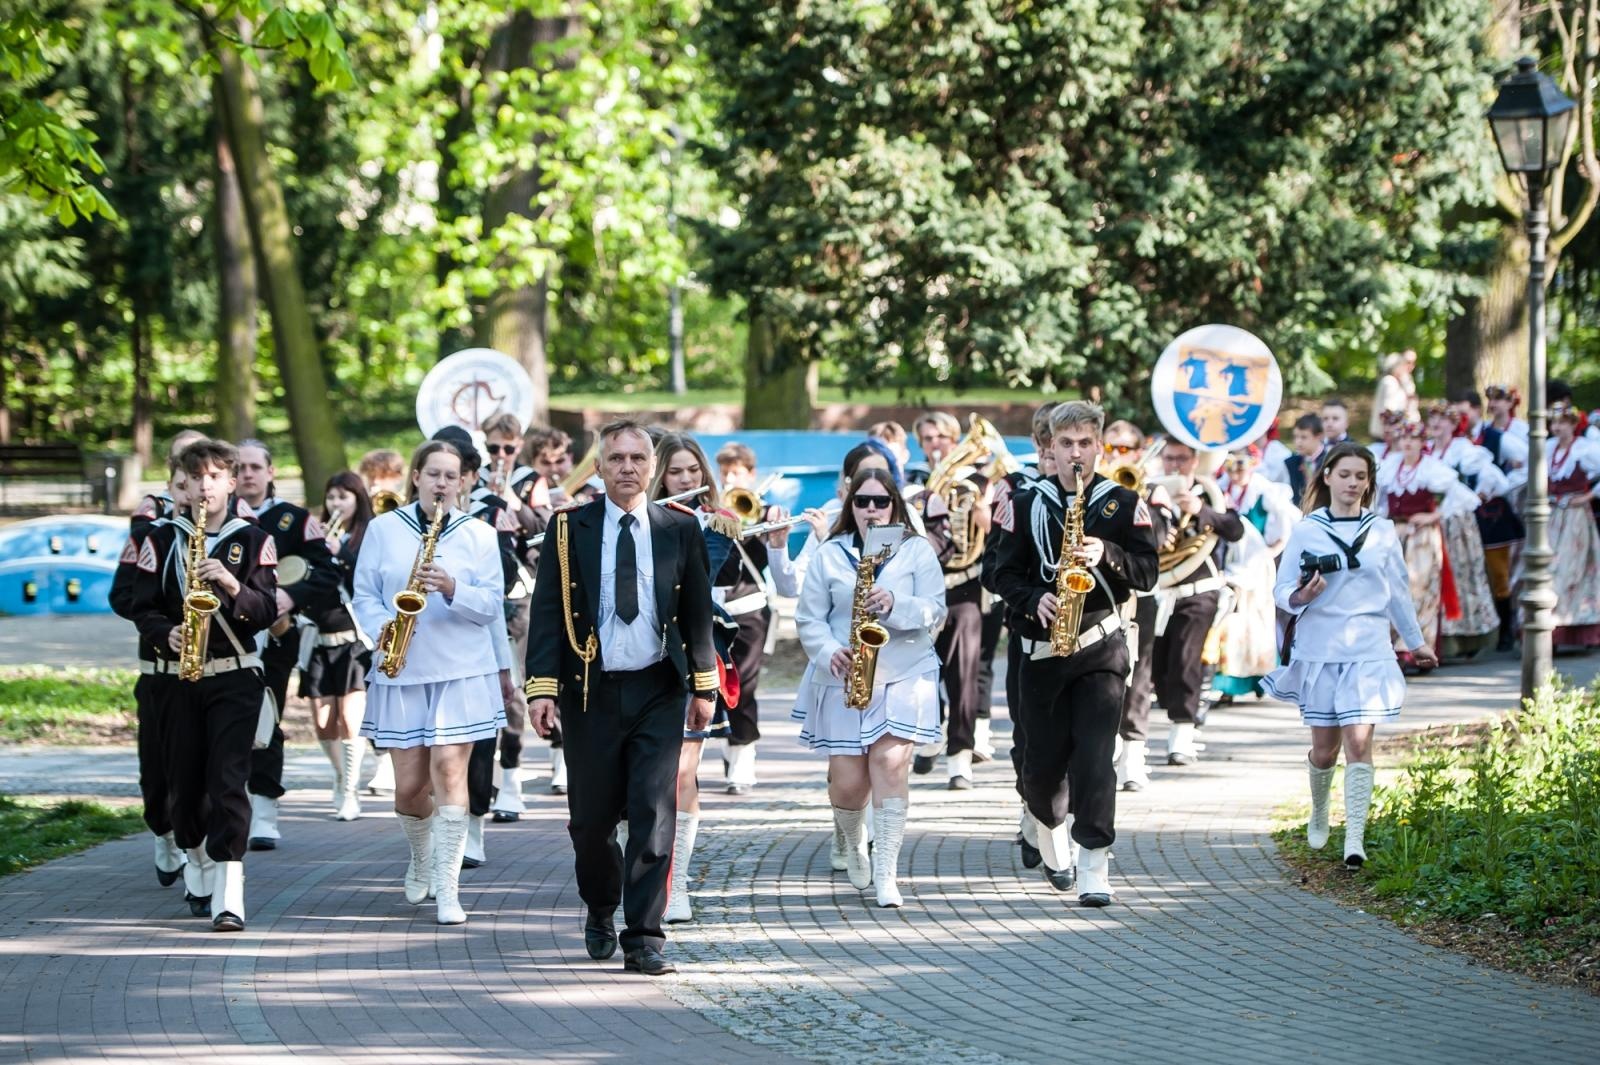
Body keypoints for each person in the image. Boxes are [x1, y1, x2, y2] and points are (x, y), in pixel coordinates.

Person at [524, 419, 718, 977]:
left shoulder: (678, 528)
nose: (627, 467)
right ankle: (601, 906)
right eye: (617, 459)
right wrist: (542, 688)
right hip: (590, 689)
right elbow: (546, 616)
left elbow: (697, 611)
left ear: (652, 467)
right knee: (590, 822)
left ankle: (645, 937)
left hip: (658, 686)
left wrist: (703, 684)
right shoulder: (569, 529)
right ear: (600, 467)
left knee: (654, 813)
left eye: (637, 458)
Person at [992, 401, 1160, 904]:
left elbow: (1148, 573)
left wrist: (1106, 553)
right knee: (1040, 771)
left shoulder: (1124, 503)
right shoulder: (1024, 503)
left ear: (1099, 446)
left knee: (1094, 760)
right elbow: (1001, 573)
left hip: (1101, 649)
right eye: (1065, 444)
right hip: (1042, 651)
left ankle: (1095, 867)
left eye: (1085, 443)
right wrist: (1032, 597)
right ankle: (1046, 831)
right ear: (1049, 448)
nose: (1076, 453)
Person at [352, 440, 514, 925]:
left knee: (449, 771)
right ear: (417, 477)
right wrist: (381, 624)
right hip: (402, 667)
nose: (442, 483)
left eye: (452, 476)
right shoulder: (383, 529)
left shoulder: (479, 535)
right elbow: (362, 594)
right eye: (433, 474)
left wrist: (451, 588)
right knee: (408, 788)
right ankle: (422, 856)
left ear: (464, 481)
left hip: (461, 668)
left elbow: (491, 606)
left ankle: (448, 888)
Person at [126, 438, 279, 931]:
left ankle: (229, 893)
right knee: (183, 790)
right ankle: (194, 857)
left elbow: (267, 609)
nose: (205, 486)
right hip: (175, 677)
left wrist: (233, 585)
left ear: (231, 483)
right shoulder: (160, 538)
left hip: (233, 676)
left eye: (216, 476)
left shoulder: (251, 539)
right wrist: (161, 631)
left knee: (229, 780)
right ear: (184, 486)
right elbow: (138, 603)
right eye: (196, 478)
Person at [1264, 443, 1438, 868]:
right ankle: (1320, 810)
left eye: (1361, 476)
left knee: (1359, 742)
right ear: (1327, 477)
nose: (1353, 483)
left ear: (1369, 482)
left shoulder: (1381, 529)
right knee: (1325, 751)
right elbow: (1281, 591)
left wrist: (1416, 643)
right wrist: (1304, 593)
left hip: (1368, 647)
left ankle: (1355, 837)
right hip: (1321, 649)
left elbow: (1397, 591)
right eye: (1344, 475)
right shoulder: (1307, 529)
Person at [793, 468, 948, 907]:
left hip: (903, 670)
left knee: (891, 763)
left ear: (895, 506)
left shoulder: (916, 551)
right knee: (846, 783)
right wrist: (827, 653)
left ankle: (887, 875)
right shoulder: (830, 553)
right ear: (851, 507)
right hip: (844, 674)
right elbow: (809, 617)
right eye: (862, 502)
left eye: (881, 501)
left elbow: (937, 611)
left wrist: (897, 604)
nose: (872, 510)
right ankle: (852, 841)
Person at [646, 431, 742, 923]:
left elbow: (694, 585)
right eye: (675, 472)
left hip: (692, 656)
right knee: (639, 777)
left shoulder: (716, 524)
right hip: (639, 659)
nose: (686, 480)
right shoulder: (632, 521)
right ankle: (641, 880)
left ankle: (676, 882)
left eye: (692, 471)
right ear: (656, 474)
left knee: (682, 771)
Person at [234, 439, 342, 851]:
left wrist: (290, 597)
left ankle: (264, 811)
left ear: (270, 472)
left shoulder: (293, 520)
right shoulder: (220, 518)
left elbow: (325, 572)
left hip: (277, 635)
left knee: (266, 716)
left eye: (255, 467)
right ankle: (232, 805)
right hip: (227, 636)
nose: (247, 474)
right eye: (240, 467)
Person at [111, 454, 195, 888]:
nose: (194, 492)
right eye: (184, 484)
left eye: (202, 481)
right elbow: (122, 596)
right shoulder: (149, 536)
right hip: (160, 668)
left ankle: (201, 857)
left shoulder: (234, 533)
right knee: (157, 769)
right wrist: (165, 624)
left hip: (212, 673)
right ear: (171, 486)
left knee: (203, 769)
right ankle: (163, 830)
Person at [983, 402, 1054, 851]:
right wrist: (1030, 598)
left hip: (1092, 639)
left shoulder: (1101, 495)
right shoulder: (1014, 490)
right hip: (1029, 634)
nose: (1061, 459)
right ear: (1038, 445)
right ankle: (1031, 805)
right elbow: (992, 569)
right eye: (1051, 447)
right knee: (1027, 733)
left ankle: (1060, 820)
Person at [712, 440, 800, 794]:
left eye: (737, 472)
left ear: (751, 474)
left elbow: (766, 561)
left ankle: (744, 760)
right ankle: (730, 748)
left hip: (750, 611)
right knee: (716, 687)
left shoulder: (765, 511)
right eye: (725, 472)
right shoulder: (713, 509)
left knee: (744, 686)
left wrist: (757, 521)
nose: (730, 478)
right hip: (716, 610)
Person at [1150, 439, 1244, 766]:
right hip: (1159, 590)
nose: (1175, 465)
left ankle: (1183, 734)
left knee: (1187, 660)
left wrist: (1200, 511)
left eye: (1182, 459)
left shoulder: (1210, 492)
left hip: (1198, 588)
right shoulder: (1151, 491)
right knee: (1157, 666)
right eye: (1170, 458)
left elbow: (1235, 528)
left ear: (1194, 461)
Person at [912, 411, 990, 789]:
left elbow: (991, 536)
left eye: (941, 437)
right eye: (927, 438)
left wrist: (983, 515)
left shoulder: (977, 482)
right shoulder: (912, 482)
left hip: (964, 586)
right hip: (922, 591)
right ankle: (929, 738)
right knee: (924, 673)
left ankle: (960, 757)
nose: (935, 444)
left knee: (964, 673)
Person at [1097, 418, 1169, 793]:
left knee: (1139, 676)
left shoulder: (1153, 491)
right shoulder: (1092, 492)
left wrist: (1140, 498)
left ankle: (1133, 758)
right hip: (1101, 597)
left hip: (1138, 596)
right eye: (1111, 448)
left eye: (1126, 449)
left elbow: (1158, 539)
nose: (1118, 456)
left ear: (1138, 453)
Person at [1374, 421, 1480, 669]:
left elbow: (1464, 498)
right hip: (1396, 534)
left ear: (1423, 443)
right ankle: (1393, 647)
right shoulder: (1390, 468)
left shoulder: (1432, 469)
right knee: (1391, 589)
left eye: (1413, 438)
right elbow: (1377, 502)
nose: (1407, 443)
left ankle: (1416, 649)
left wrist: (1433, 516)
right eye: (1403, 438)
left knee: (1419, 589)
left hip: (1422, 537)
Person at [303, 472, 375, 822]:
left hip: (354, 640)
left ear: (358, 500)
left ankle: (350, 790)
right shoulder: (316, 535)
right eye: (331, 498)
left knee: (350, 718)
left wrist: (341, 552)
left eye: (343, 498)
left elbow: (365, 581)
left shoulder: (366, 538)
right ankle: (340, 774)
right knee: (322, 720)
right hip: (319, 638)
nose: (335, 505)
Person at [1210, 446, 1298, 702]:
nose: (1236, 472)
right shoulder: (1222, 489)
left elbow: (1285, 529)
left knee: (1253, 624)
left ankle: (1252, 679)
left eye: (1241, 465)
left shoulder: (1265, 492)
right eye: (1230, 466)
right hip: (1227, 564)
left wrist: (1268, 554)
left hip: (1256, 568)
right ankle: (1225, 682)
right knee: (1227, 621)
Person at [1423, 405, 1504, 657]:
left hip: (1458, 523)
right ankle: (1442, 637)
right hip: (1433, 523)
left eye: (1442, 419)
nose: (1436, 423)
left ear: (1453, 424)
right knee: (1434, 578)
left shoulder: (1464, 450)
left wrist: (1477, 495)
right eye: (1433, 418)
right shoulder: (1426, 450)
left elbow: (1497, 479)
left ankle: (1470, 637)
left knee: (1463, 576)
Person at [1545, 402, 1600, 650]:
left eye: (1562, 423)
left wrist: (1588, 497)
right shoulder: (1548, 448)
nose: (1557, 428)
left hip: (1576, 517)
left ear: (1573, 425)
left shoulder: (1585, 449)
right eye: (1554, 423)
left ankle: (1569, 625)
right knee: (1547, 569)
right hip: (1552, 516)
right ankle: (1551, 630)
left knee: (1569, 569)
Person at [131, 430, 209, 528]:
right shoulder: (153, 509)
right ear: (169, 463)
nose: (190, 464)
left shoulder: (226, 507)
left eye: (200, 457)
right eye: (181, 459)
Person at [1369, 350, 1419, 438]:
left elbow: (1412, 398)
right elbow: (1390, 410)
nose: (1406, 368)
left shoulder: (1400, 382)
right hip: (1386, 434)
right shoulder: (1389, 382)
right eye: (1403, 365)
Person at [1281, 413, 1325, 507]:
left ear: (1319, 436)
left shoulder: (1330, 460)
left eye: (1303, 437)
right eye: (1295, 437)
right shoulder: (1291, 463)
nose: (1298, 442)